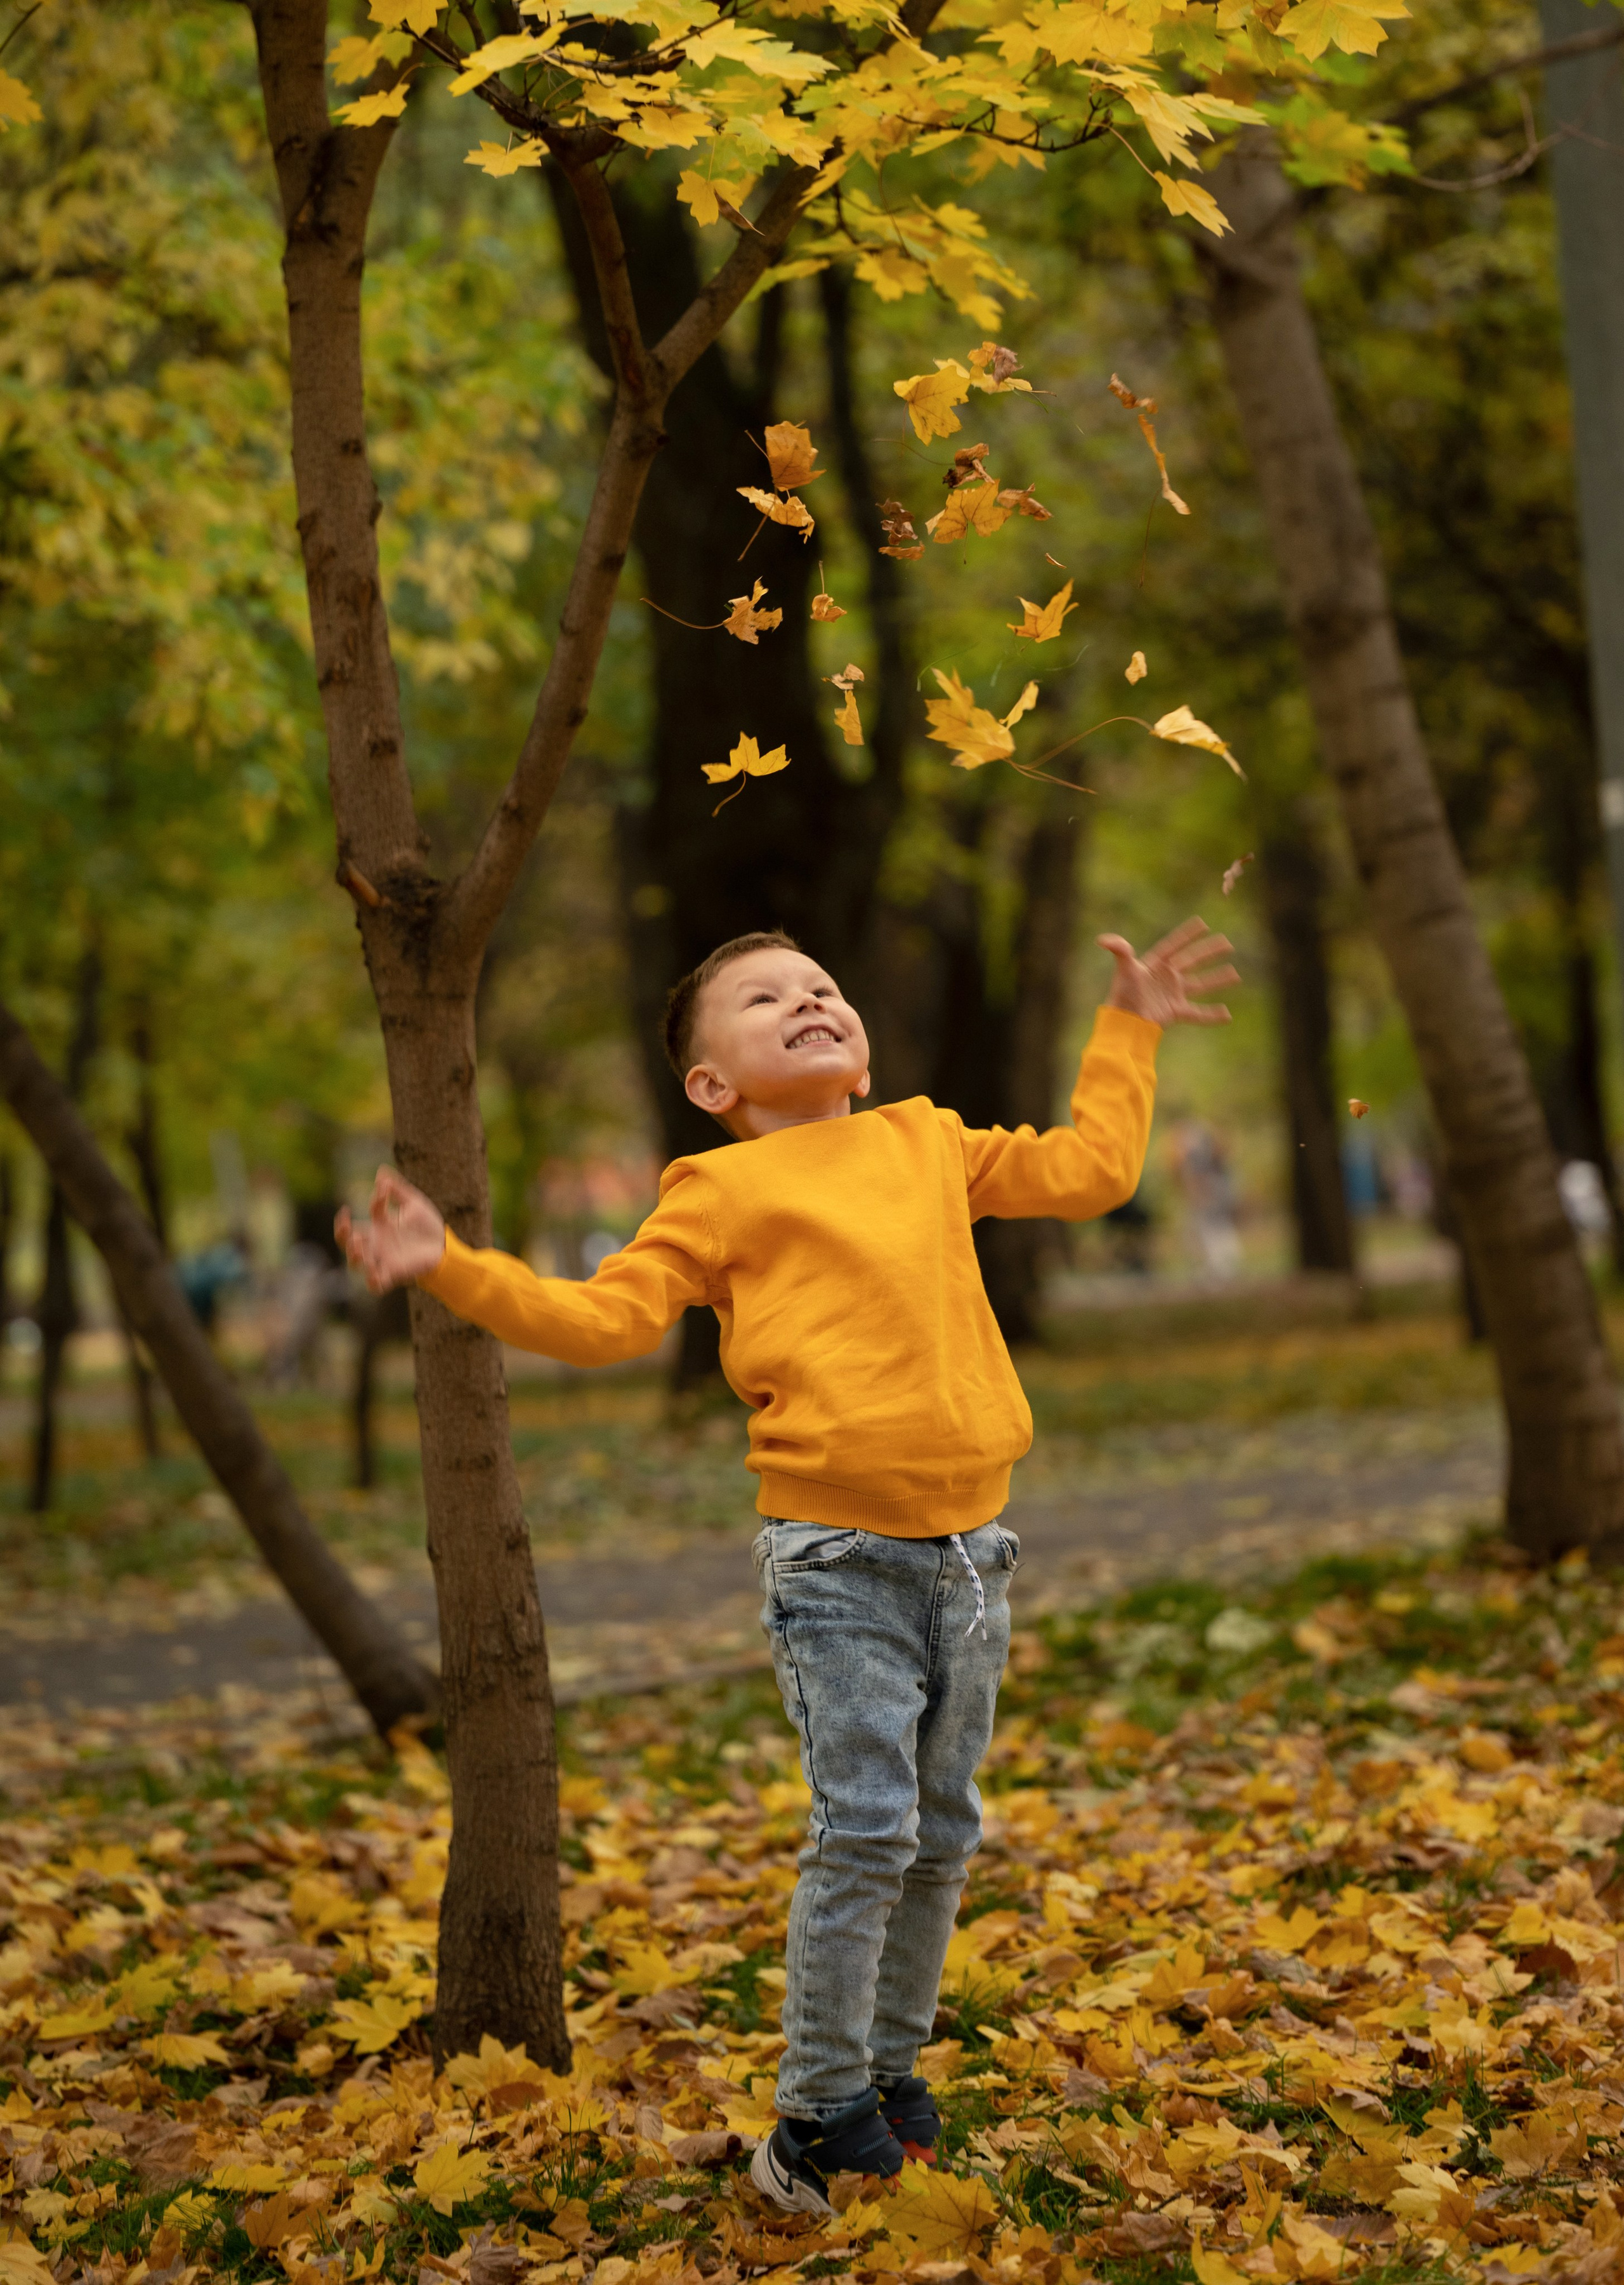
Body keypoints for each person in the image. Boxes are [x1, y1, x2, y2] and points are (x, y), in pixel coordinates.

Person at [338, 917, 1236, 2215]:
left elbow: (1095, 1169)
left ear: (857, 1045)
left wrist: (1128, 1024)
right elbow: (601, 1320)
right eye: (764, 1000)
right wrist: (451, 1266)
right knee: (865, 1827)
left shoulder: (926, 1138)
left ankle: (884, 2076)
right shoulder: (712, 1193)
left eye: (821, 987)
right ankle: (813, 2119)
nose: (808, 1002)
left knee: (939, 1833)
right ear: (714, 1086)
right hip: (836, 1561)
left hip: (971, 1554)